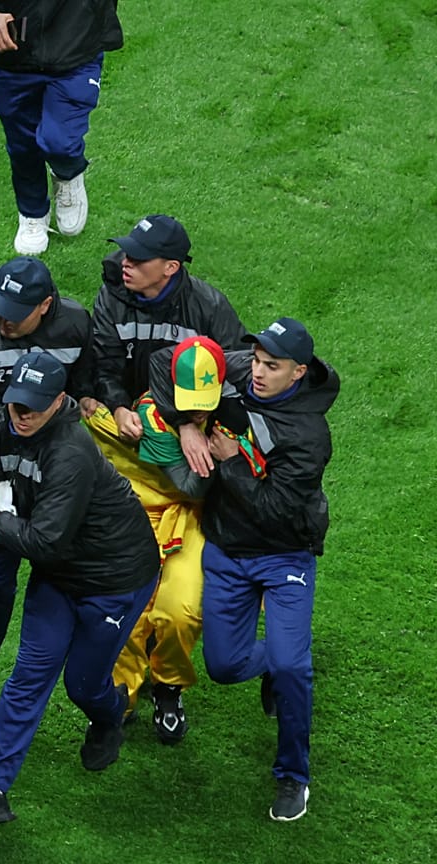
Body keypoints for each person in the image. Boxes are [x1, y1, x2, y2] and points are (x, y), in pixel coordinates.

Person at [0, 352, 158, 826]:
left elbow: (44, 540)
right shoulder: (10, 427)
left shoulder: (71, 453)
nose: (21, 415)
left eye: (32, 408)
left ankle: (110, 712)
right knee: (29, 673)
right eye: (16, 404)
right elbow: (0, 484)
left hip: (114, 580)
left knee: (83, 685)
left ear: (60, 401)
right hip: (61, 576)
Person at [195, 318, 338, 821]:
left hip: (283, 556)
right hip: (228, 551)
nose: (256, 372)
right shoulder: (237, 370)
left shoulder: (309, 435)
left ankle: (293, 777)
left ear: (298, 373)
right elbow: (166, 366)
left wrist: (232, 462)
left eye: (271, 367)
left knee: (292, 667)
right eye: (255, 360)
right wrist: (190, 423)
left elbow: (275, 509)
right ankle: (277, 663)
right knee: (224, 666)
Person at [0, 255, 93, 730]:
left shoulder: (75, 324)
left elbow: (88, 388)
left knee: (80, 568)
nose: (2, 318)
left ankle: (107, 677)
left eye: (16, 310)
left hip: (57, 465)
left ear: (46, 305)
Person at [86, 336, 234, 743]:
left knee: (181, 610)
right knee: (127, 613)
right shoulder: (151, 416)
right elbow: (193, 486)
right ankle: (123, 694)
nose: (199, 408)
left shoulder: (233, 405)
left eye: (206, 399)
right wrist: (220, 456)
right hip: (144, 517)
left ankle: (169, 686)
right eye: (189, 400)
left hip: (191, 524)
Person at [0, 1, 123, 254]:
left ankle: (68, 175)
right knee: (22, 143)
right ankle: (32, 215)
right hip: (14, 50)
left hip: (78, 46)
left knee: (61, 142)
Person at [84, 214, 247, 451]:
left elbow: (239, 369)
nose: (126, 263)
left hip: (196, 422)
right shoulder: (111, 297)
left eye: (138, 259)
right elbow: (104, 363)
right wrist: (118, 407)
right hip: (133, 418)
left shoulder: (209, 307)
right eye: (127, 254)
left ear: (171, 267)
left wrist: (187, 421)